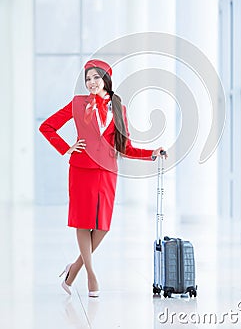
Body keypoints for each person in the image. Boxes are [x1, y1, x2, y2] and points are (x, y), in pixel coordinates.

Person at [39, 59, 167, 297]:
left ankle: (73, 269)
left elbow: (124, 147)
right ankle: (90, 274)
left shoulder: (119, 107)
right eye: (88, 79)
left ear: (106, 79)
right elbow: (47, 126)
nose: (91, 83)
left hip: (107, 171)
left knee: (102, 226)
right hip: (81, 169)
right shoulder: (78, 103)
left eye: (96, 78)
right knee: (83, 221)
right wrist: (66, 148)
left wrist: (151, 153)